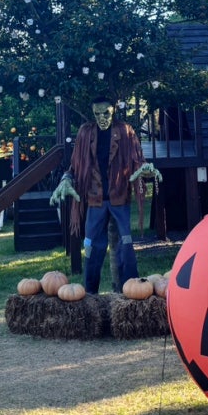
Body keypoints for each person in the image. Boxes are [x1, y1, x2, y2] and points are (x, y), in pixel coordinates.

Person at [50, 97, 161, 293]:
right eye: (97, 114)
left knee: (126, 244)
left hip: (119, 196)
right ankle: (90, 293)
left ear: (114, 110)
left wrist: (145, 169)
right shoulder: (85, 132)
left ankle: (130, 291)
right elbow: (75, 165)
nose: (102, 118)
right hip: (95, 199)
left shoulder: (125, 131)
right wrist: (66, 179)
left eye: (106, 113)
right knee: (91, 246)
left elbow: (138, 160)